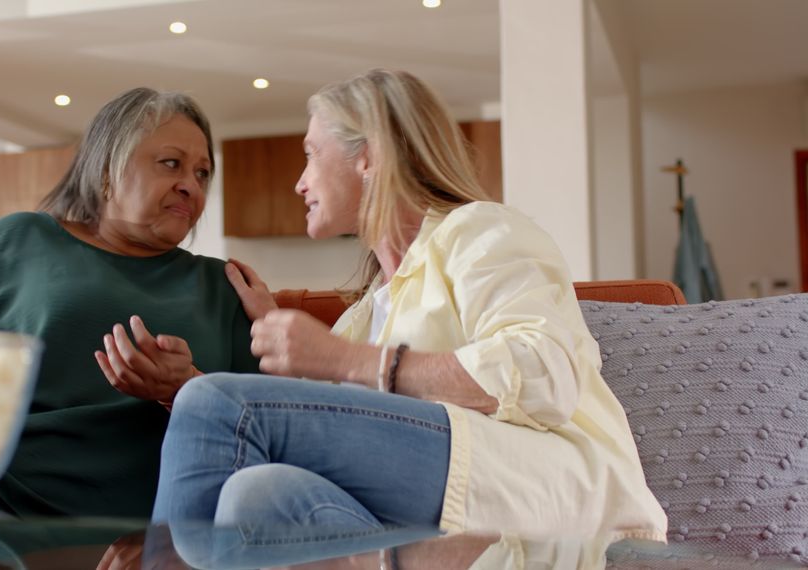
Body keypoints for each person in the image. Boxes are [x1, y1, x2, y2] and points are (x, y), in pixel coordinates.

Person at [149, 69, 667, 541]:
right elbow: (324, 428)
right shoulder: (361, 318)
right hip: (428, 521)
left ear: (368, 156)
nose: (299, 182)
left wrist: (341, 359)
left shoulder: (481, 230)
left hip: (543, 499)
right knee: (255, 495)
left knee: (214, 403)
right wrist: (283, 342)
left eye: (311, 153)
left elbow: (544, 374)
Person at [0, 87, 260, 519]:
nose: (190, 186)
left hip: (155, 525)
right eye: (171, 163)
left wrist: (186, 387)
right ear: (106, 171)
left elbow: (266, 428)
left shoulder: (225, 286)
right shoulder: (17, 242)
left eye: (202, 173)